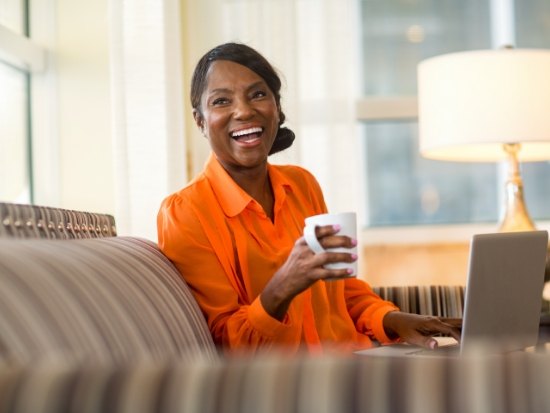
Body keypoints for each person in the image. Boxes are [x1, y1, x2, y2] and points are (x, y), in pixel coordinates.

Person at [157, 42, 461, 354]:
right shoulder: (186, 212)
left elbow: (341, 290)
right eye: (221, 101)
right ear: (200, 121)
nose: (244, 110)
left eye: (258, 94)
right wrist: (284, 285)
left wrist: (393, 319)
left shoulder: (301, 184)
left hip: (357, 364)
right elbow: (227, 343)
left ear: (277, 108)